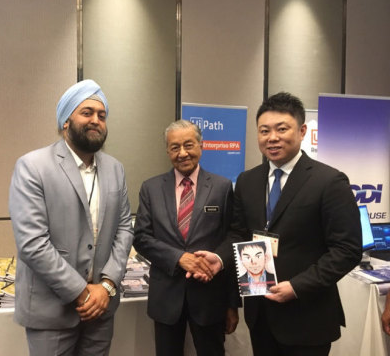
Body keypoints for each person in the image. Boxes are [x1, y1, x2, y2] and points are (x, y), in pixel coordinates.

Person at [194, 92, 362, 355]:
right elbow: (239, 232)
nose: (272, 137)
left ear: (302, 130)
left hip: (307, 316)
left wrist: (297, 286)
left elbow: (347, 249)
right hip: (261, 312)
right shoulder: (248, 181)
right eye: (264, 131)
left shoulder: (329, 182)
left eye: (281, 129)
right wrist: (220, 257)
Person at [9, 79, 134, 356]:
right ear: (66, 121)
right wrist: (82, 292)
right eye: (86, 112)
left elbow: (125, 229)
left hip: (101, 309)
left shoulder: (115, 169)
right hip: (51, 311)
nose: (95, 120)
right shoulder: (33, 166)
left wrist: (107, 285)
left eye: (102, 115)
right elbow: (32, 243)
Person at [133, 120, 240, 356]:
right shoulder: (150, 188)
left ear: (201, 146)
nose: (182, 153)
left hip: (210, 297)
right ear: (168, 151)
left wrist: (232, 304)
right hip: (166, 299)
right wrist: (178, 258)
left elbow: (232, 238)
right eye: (174, 147)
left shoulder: (222, 188)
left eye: (188, 145)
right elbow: (141, 237)